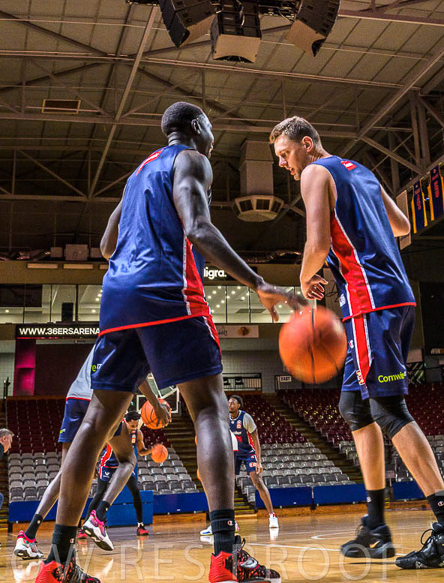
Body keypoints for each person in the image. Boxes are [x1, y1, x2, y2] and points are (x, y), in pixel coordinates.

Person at [35, 102, 304, 583]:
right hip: (169, 292)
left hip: (118, 301)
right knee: (209, 410)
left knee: (95, 422)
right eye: (211, 128)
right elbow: (198, 228)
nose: (214, 137)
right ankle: (226, 555)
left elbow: (107, 245)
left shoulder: (137, 175)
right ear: (196, 128)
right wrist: (259, 282)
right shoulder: (191, 159)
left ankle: (57, 561)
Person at [270, 117, 444, 570]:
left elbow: (317, 242)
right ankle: (376, 527)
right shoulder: (360, 171)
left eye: (285, 154)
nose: (284, 164)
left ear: (307, 143)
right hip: (393, 296)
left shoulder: (315, 172)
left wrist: (304, 279)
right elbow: (401, 225)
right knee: (354, 406)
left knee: (386, 409)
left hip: (371, 302)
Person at [15, 350, 169, 560]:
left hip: (74, 396)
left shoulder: (107, 334)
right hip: (100, 400)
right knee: (128, 460)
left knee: (66, 473)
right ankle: (98, 517)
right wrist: (156, 405)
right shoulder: (135, 336)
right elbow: (139, 375)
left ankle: (28, 536)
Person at [201, 395, 278, 535]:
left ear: (239, 406)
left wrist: (259, 461)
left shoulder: (246, 418)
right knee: (226, 485)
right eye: (228, 402)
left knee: (257, 480)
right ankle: (227, 521)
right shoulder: (224, 417)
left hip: (248, 452)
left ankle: (272, 516)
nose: (229, 404)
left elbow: (256, 439)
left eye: (233, 402)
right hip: (232, 452)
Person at [81, 409, 152, 549]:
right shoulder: (116, 430)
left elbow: (141, 451)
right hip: (108, 464)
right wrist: (93, 467)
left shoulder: (137, 433)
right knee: (100, 493)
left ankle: (140, 525)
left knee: (136, 492)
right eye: (132, 425)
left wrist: (153, 450)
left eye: (136, 425)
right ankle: (85, 527)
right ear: (125, 422)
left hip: (124, 464)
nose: (134, 428)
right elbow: (98, 448)